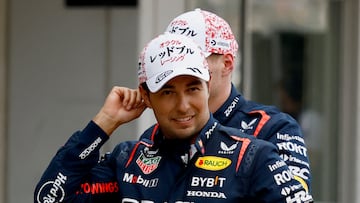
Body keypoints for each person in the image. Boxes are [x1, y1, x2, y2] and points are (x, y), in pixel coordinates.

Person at [34, 33, 313, 202]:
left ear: (207, 87)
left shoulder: (253, 157)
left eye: (192, 88)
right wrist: (104, 123)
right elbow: (50, 197)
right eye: (167, 92)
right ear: (146, 96)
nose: (182, 105)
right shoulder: (127, 161)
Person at [163, 8, 312, 193]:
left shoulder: (273, 127)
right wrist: (114, 121)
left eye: (195, 59)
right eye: (175, 61)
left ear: (227, 64)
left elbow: (296, 194)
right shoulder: (158, 133)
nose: (183, 69)